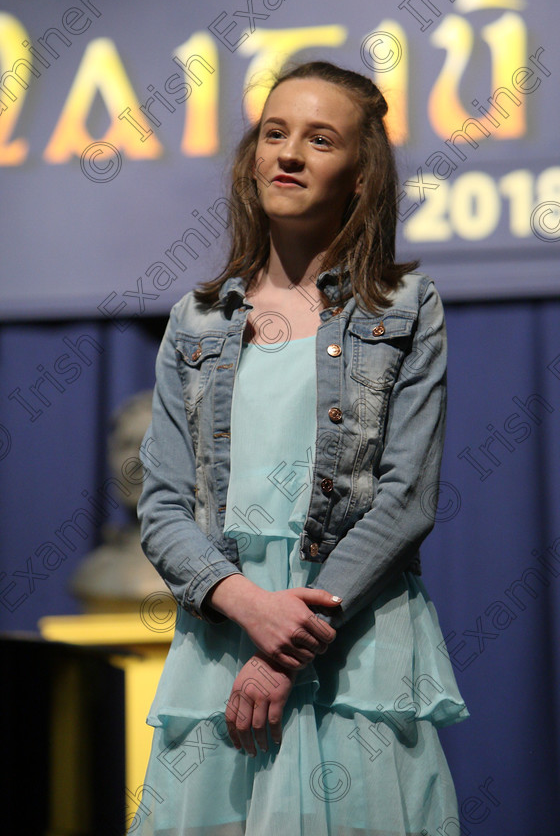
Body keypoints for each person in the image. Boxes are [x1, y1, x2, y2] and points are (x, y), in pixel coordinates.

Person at [130, 60, 469, 836]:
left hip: (351, 651)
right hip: (222, 648)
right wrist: (249, 607)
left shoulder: (406, 308)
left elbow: (406, 499)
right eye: (274, 133)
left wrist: (286, 652)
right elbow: (163, 507)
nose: (289, 154)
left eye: (320, 139)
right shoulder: (198, 319)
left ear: (360, 176)